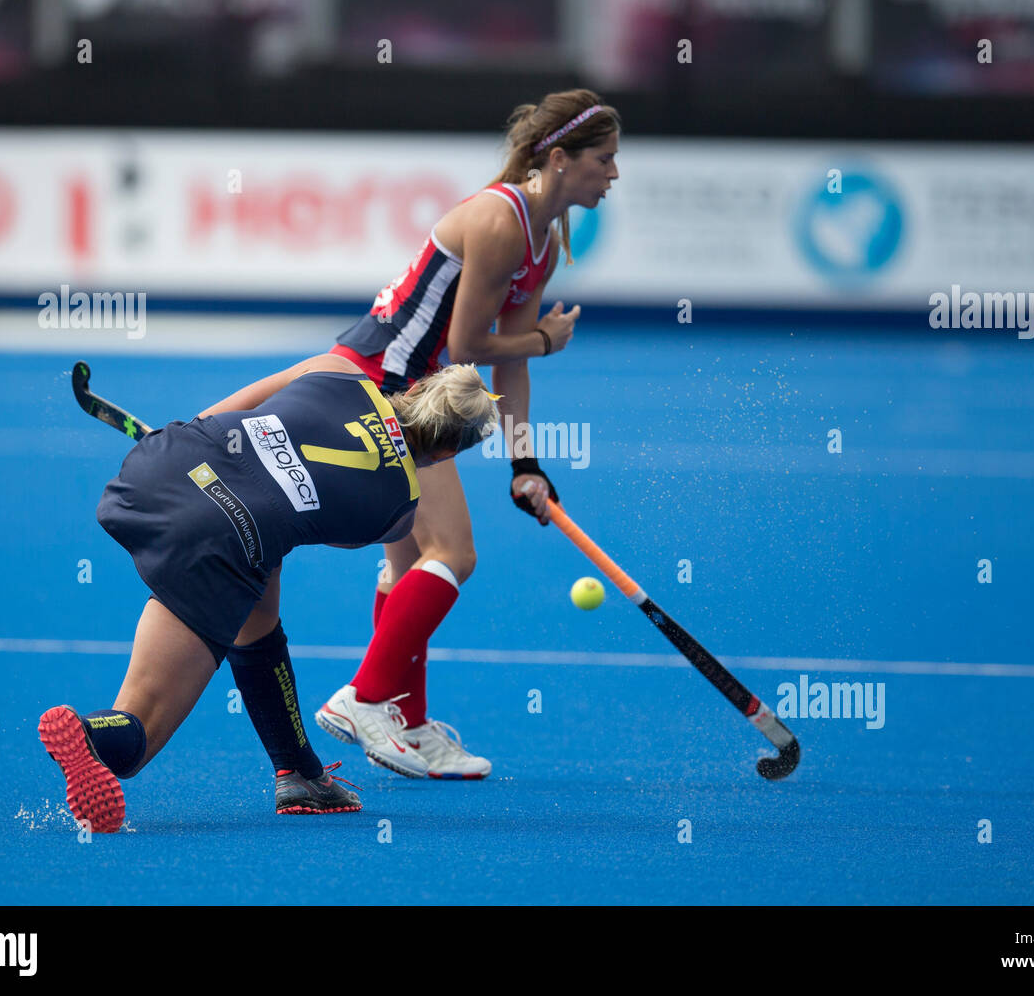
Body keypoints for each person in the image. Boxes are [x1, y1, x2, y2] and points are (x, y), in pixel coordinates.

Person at [38, 355, 500, 832]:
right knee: (138, 740)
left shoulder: (338, 368)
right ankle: (91, 732)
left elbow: (218, 415)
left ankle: (299, 772)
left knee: (258, 604)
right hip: (221, 533)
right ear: (447, 454)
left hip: (167, 462)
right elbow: (304, 516)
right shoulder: (398, 510)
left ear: (420, 387)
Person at [313, 89, 620, 779]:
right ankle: (364, 697)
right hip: (389, 385)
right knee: (454, 551)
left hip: (411, 386)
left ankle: (409, 722)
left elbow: (504, 356)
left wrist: (525, 463)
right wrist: (547, 337)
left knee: (405, 564)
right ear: (561, 159)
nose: (615, 174)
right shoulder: (500, 220)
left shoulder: (543, 239)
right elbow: (468, 343)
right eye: (605, 158)